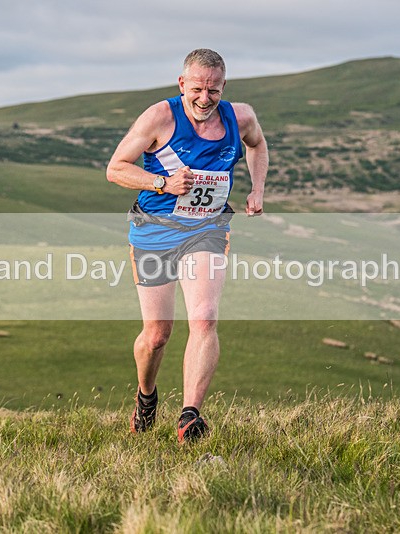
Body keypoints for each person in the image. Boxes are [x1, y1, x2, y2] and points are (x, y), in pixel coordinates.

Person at [106, 48, 268, 442]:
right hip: (154, 231)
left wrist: (257, 190)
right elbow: (116, 168)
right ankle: (146, 397)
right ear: (182, 85)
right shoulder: (159, 117)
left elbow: (257, 145)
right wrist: (161, 182)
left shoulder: (240, 116)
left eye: (213, 91)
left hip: (207, 228)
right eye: (196, 89)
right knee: (157, 334)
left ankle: (189, 416)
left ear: (223, 87)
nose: (204, 99)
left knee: (205, 317)